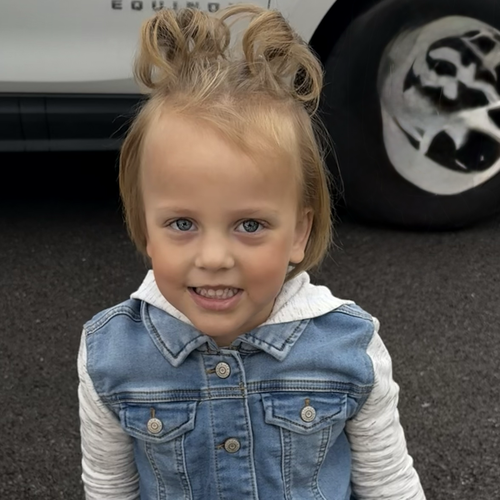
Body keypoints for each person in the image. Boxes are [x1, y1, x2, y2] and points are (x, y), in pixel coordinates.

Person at [77, 4, 426, 499]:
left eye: (250, 225)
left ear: (300, 233)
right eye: (182, 223)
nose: (214, 257)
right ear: (145, 227)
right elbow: (109, 487)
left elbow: (389, 484)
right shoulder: (110, 354)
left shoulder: (350, 346)